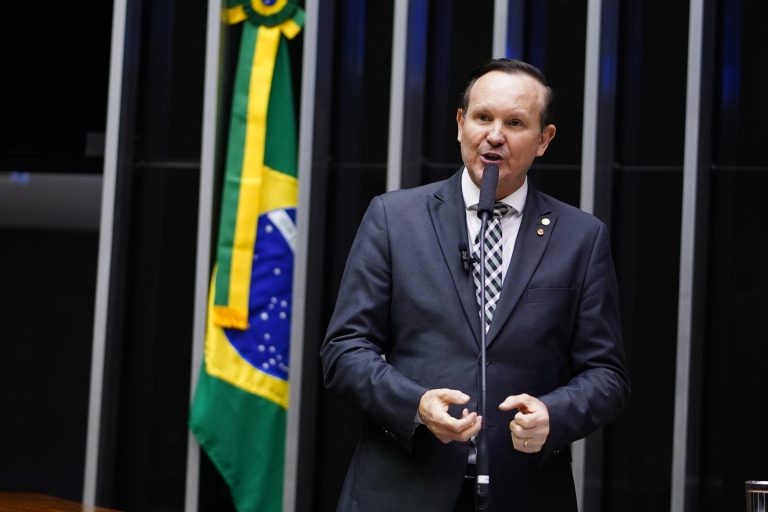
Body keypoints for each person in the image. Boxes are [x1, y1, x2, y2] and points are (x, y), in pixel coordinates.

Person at [320, 58, 630, 512]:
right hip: (402, 486)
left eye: (515, 123)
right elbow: (344, 349)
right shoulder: (394, 218)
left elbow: (607, 375)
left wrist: (554, 414)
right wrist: (416, 404)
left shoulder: (581, 238)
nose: (495, 135)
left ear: (544, 139)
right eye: (483, 117)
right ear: (460, 124)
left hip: (524, 491)